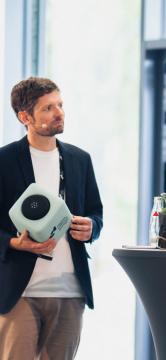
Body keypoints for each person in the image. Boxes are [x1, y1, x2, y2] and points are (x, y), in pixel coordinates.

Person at [0, 77, 103, 359]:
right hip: (19, 293)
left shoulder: (80, 160)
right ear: (25, 117)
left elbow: (96, 213)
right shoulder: (4, 161)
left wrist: (91, 228)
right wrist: (14, 243)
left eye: (60, 104)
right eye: (47, 108)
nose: (59, 113)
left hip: (70, 292)